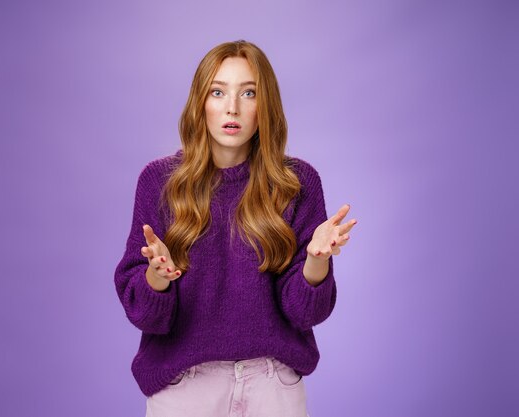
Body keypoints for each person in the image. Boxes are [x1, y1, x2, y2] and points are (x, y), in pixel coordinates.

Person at [114, 40, 357, 417]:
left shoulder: (297, 183)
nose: (232, 107)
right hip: (184, 388)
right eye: (218, 91)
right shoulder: (159, 182)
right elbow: (145, 315)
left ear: (266, 106)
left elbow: (305, 313)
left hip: (272, 387)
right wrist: (156, 276)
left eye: (248, 93)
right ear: (201, 103)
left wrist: (315, 263)